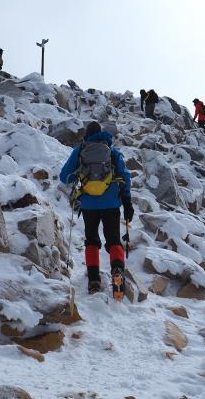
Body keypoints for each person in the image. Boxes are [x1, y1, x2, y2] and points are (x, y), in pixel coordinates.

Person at [60, 121, 133, 297]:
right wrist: (127, 202)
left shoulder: (80, 150)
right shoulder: (112, 151)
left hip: (89, 204)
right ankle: (117, 273)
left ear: (87, 135)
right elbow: (125, 176)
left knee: (92, 240)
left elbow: (65, 177)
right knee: (114, 240)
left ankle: (94, 281)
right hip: (111, 203)